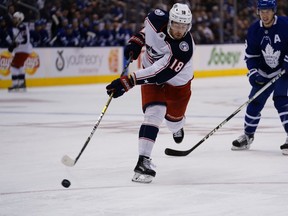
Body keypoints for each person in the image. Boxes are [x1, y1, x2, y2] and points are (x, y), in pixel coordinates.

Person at [106, 3, 195, 183]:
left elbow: (158, 72)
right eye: (177, 25)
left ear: (189, 26)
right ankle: (143, 161)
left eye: (184, 26)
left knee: (173, 122)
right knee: (154, 113)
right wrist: (137, 41)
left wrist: (128, 81)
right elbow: (146, 31)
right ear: (170, 21)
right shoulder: (155, 18)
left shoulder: (184, 49)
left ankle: (177, 127)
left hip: (177, 84)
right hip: (151, 76)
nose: (179, 30)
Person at [232, 0, 288, 155]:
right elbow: (251, 56)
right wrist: (254, 73)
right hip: (264, 71)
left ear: (274, 11)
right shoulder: (254, 30)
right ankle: (248, 136)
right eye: (262, 11)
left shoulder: (285, 24)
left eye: (268, 11)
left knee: (281, 100)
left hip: (283, 71)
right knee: (254, 102)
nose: (264, 14)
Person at [7, 11, 32, 92]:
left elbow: (25, 40)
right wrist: (13, 45)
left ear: (20, 19)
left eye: (15, 18)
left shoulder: (22, 27)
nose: (13, 19)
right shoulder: (17, 27)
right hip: (21, 50)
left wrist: (16, 44)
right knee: (19, 66)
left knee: (14, 66)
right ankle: (22, 84)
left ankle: (15, 85)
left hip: (23, 50)